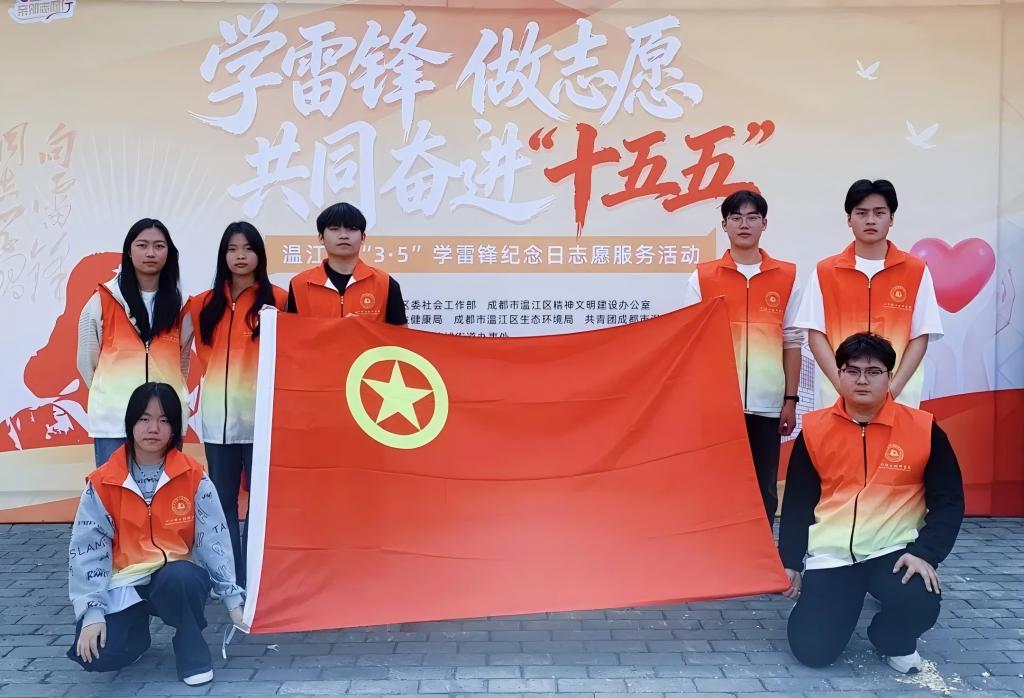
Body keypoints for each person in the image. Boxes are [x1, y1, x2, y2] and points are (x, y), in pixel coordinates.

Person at [778, 332, 964, 673]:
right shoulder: (815, 429)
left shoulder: (923, 429)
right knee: (813, 652)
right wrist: (790, 561)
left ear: (889, 377)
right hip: (833, 554)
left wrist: (926, 553)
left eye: (873, 371)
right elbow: (798, 502)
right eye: (852, 371)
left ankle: (891, 640)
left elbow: (949, 501)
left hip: (893, 551)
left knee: (920, 598)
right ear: (839, 375)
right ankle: (818, 604)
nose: (862, 380)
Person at [67, 382, 245, 686]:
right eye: (144, 419)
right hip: (124, 584)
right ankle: (135, 638)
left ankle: (191, 646)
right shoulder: (102, 482)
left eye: (164, 420)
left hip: (175, 578)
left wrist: (232, 599)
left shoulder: (193, 475)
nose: (153, 429)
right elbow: (88, 550)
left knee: (182, 577)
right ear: (130, 423)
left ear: (175, 428)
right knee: (97, 656)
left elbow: (214, 540)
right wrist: (91, 613)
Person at [683, 190, 803, 528]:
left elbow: (793, 341)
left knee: (764, 488)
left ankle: (760, 552)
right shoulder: (703, 277)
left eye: (752, 217)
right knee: (717, 483)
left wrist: (790, 400)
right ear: (725, 225)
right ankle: (719, 550)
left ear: (764, 224)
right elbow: (691, 340)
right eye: (736, 218)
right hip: (718, 403)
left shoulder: (787, 276)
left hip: (768, 405)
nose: (744, 224)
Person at [187, 222, 287, 588]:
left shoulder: (279, 300)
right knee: (222, 502)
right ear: (223, 255)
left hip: (263, 420)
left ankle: (259, 580)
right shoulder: (201, 304)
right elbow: (195, 354)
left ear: (260, 254)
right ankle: (229, 579)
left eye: (248, 248)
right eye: (232, 249)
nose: (240, 256)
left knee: (261, 505)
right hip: (217, 421)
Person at [795, 179, 943, 409]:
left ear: (891, 218)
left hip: (899, 400)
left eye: (879, 213)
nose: (871, 220)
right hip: (837, 400)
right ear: (849, 219)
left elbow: (920, 336)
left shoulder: (916, 271)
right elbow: (816, 335)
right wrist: (842, 387)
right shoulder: (825, 272)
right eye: (861, 213)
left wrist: (892, 390)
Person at [77, 218, 192, 466]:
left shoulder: (182, 305)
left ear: (169, 253)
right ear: (129, 251)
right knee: (114, 489)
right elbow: (87, 362)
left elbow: (181, 362)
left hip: (166, 422)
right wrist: (110, 393)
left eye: (159, 246)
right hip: (114, 421)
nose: (151, 253)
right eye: (142, 245)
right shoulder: (102, 300)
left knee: (164, 489)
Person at [286, 202, 407, 324]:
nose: (343, 235)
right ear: (321, 237)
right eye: (334, 229)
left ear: (363, 237)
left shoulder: (385, 283)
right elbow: (291, 331)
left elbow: (400, 334)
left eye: (352, 229)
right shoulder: (299, 284)